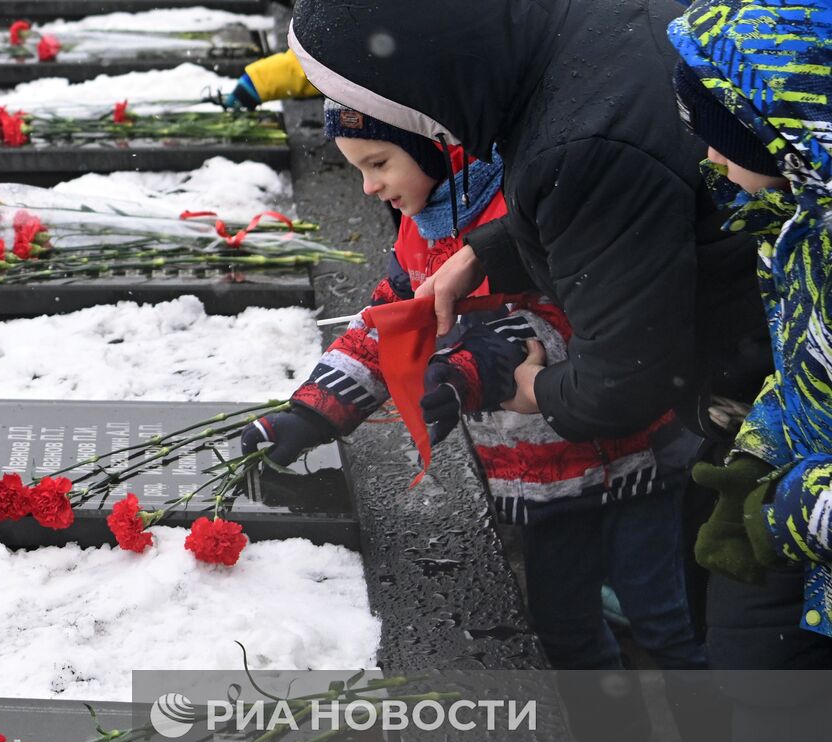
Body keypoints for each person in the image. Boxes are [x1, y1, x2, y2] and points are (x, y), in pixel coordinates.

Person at [241, 100, 723, 742]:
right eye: (359, 172)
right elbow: (392, 320)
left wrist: (470, 369)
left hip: (626, 460)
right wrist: (312, 411)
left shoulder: (521, 205)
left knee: (667, 623)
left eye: (378, 166)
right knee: (566, 633)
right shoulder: (423, 223)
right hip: (534, 479)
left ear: (433, 149)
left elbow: (577, 323)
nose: (370, 189)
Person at [286, 0, 767, 445]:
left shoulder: (577, 148)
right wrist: (487, 252)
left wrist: (533, 387)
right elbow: (624, 213)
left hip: (750, 385)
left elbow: (623, 373)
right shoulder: (581, 34)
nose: (370, 187)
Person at [668, 1, 832, 742]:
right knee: (776, 740)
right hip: (809, 563)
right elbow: (805, 368)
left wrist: (788, 512)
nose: (707, 156)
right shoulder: (811, 220)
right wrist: (761, 450)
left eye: (723, 133)